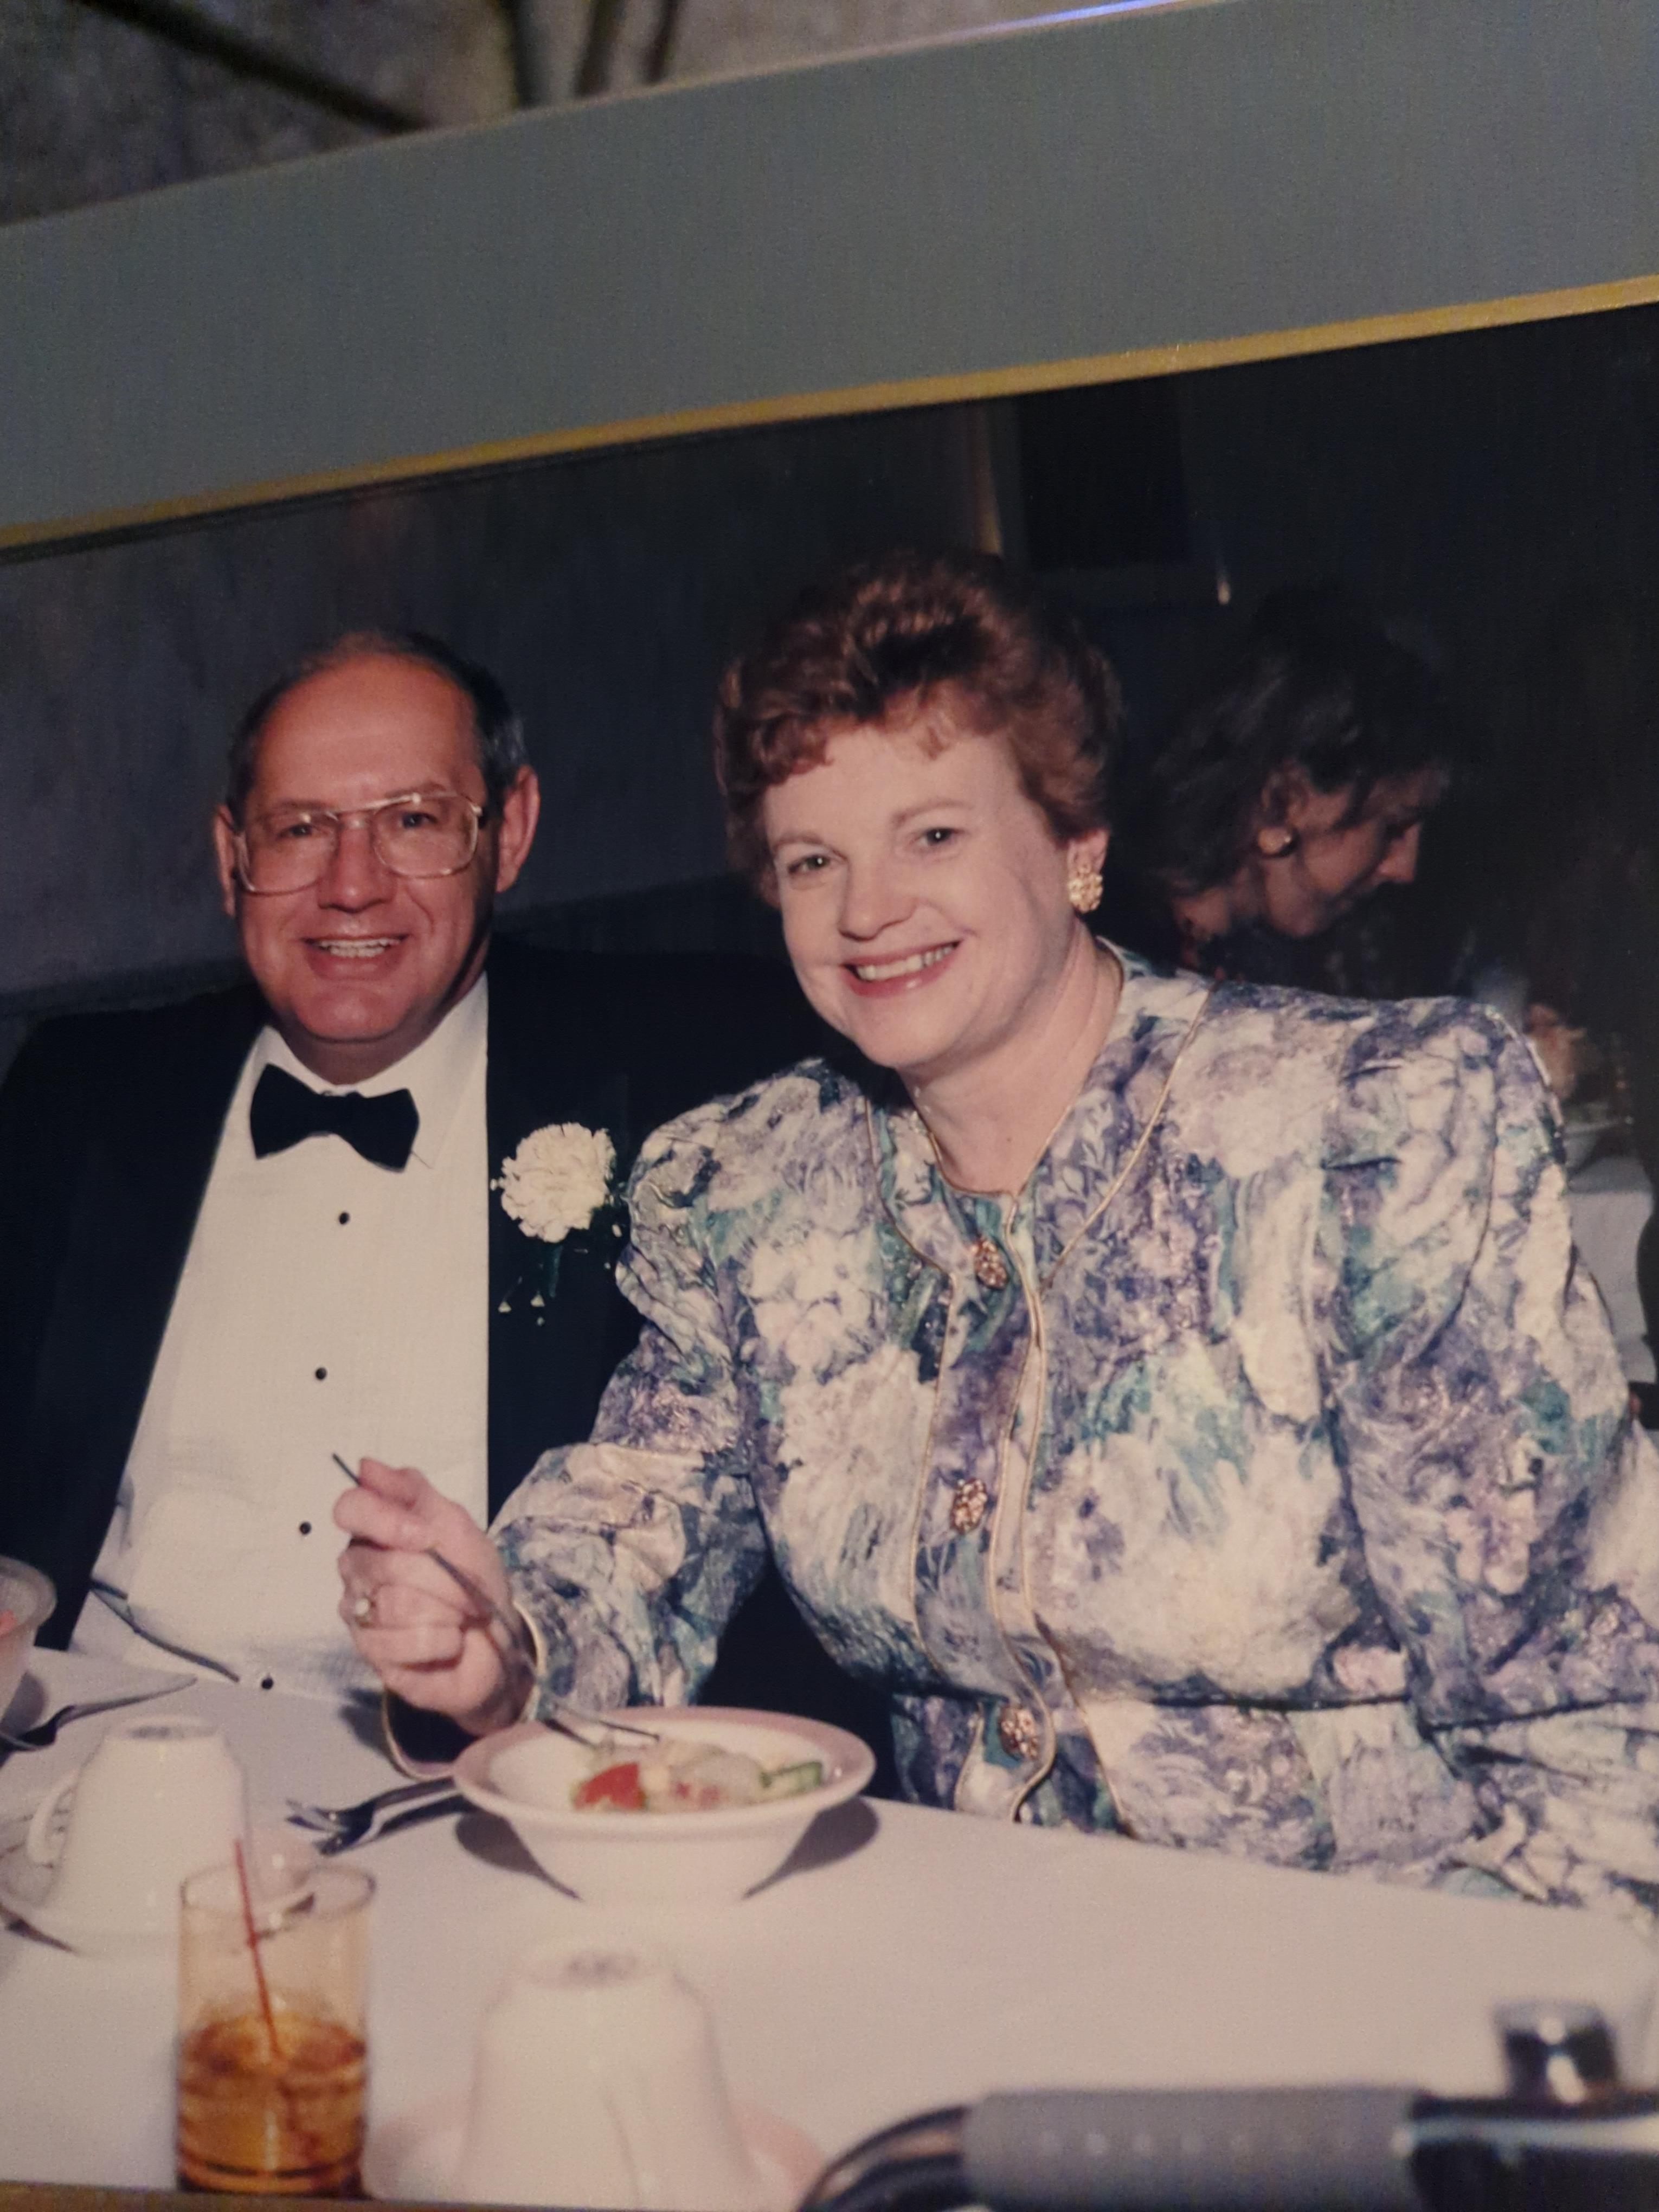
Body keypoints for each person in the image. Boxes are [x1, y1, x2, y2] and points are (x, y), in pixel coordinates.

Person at [338, 553, 1659, 1920]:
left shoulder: (1364, 1132)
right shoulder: (744, 1187)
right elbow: (628, 1542)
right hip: (956, 1971)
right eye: (813, 859)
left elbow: (1590, 1706)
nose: (866, 909)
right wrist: (494, 1637)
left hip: (1364, 1994)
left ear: (1077, 845)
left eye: (933, 835)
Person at [0, 631, 828, 1702]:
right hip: (102, 1761)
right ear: (229, 856)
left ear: (511, 832)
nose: (353, 887)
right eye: (299, 829)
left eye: (414, 822)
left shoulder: (690, 1079)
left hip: (475, 1773)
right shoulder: (80, 1100)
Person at [1100, 588, 1455, 994]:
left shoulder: (1293, 959)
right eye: (1393, 828)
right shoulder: (1113, 958)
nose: (1405, 869)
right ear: (1280, 799)